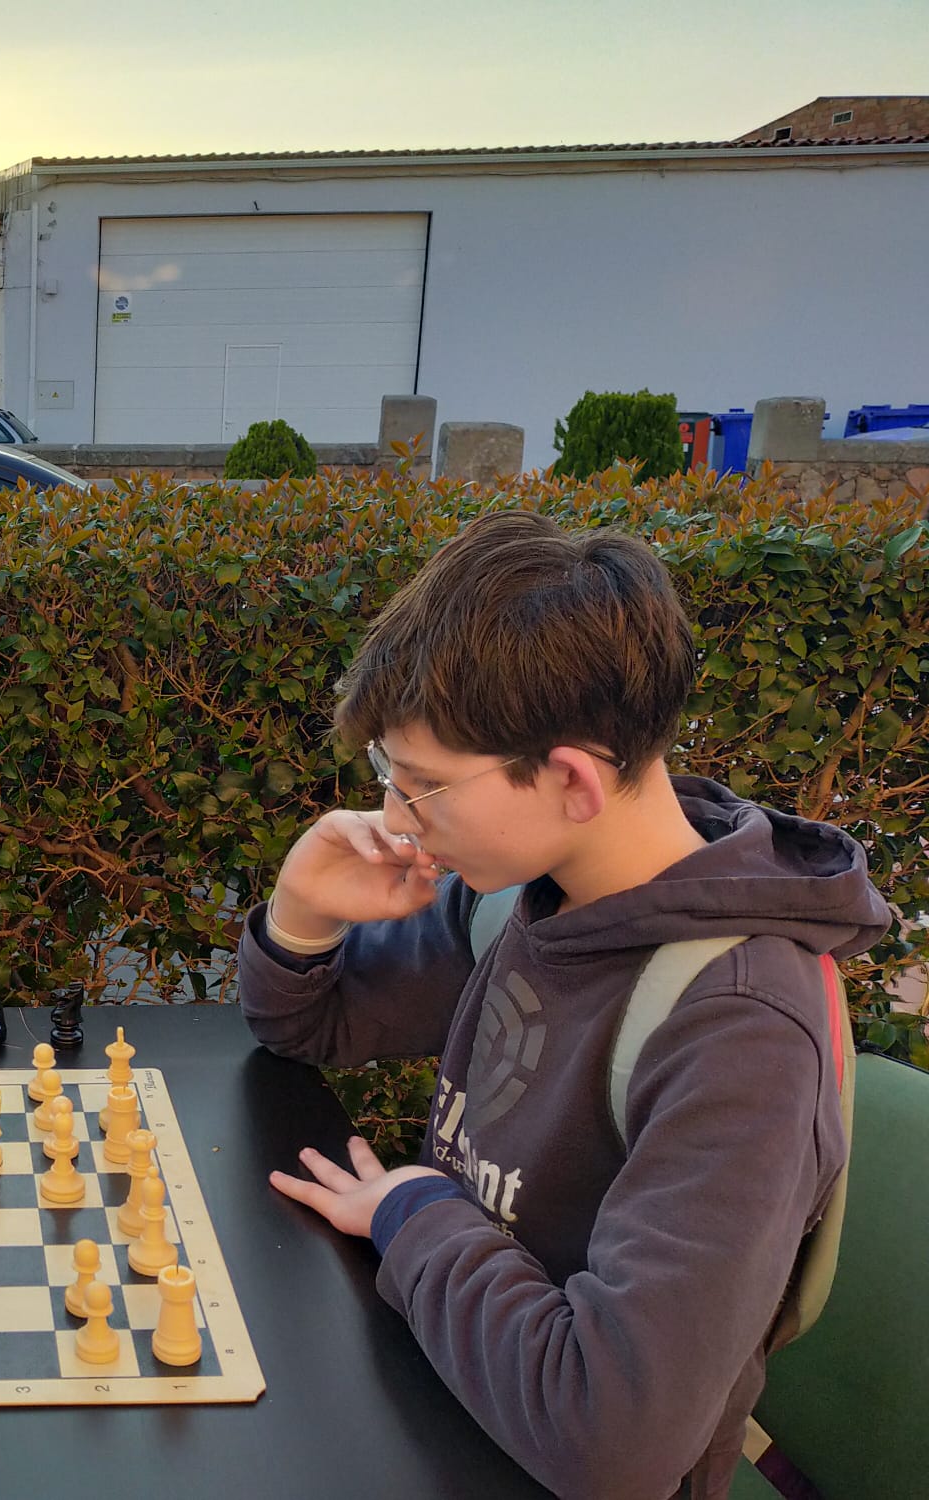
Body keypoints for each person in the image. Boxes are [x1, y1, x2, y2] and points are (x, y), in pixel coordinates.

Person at [242, 510, 890, 1499]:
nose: (395, 820)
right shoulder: (522, 896)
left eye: (422, 787)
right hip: (449, 1407)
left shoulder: (738, 1028)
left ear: (571, 781)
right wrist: (301, 915)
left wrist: (414, 1212)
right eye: (388, 779)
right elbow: (305, 1027)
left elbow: (610, 1439)